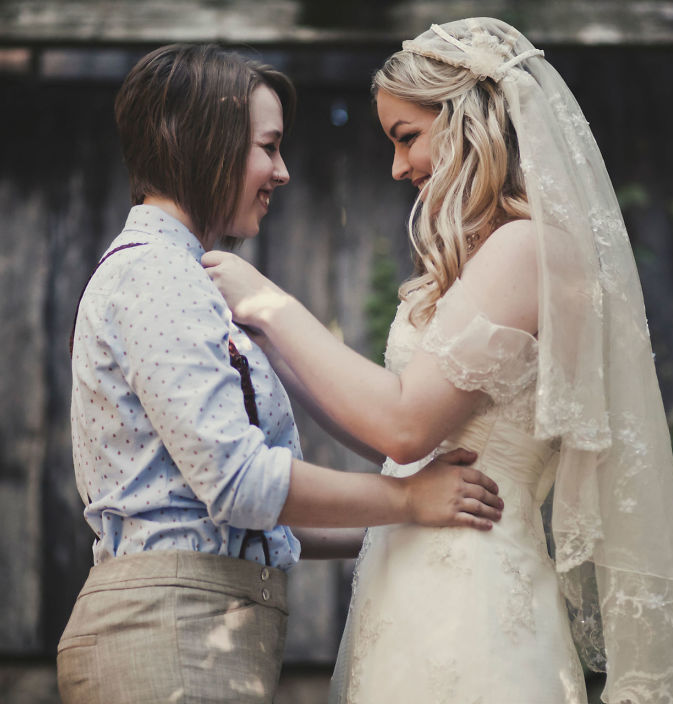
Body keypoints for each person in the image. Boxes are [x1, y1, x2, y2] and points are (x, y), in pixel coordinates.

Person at [202, 18, 673, 704]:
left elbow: (406, 425)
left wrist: (269, 303)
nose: (397, 167)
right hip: (420, 578)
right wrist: (270, 341)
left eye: (407, 136)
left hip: (472, 593)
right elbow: (394, 441)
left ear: (471, 120)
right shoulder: (481, 261)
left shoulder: (526, 248)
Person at [56, 43, 505, 704]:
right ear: (206, 144)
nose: (282, 171)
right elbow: (241, 483)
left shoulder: (183, 277)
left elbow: (256, 521)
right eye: (268, 147)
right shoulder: (154, 275)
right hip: (169, 631)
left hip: (196, 628)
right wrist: (407, 499)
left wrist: (417, 521)